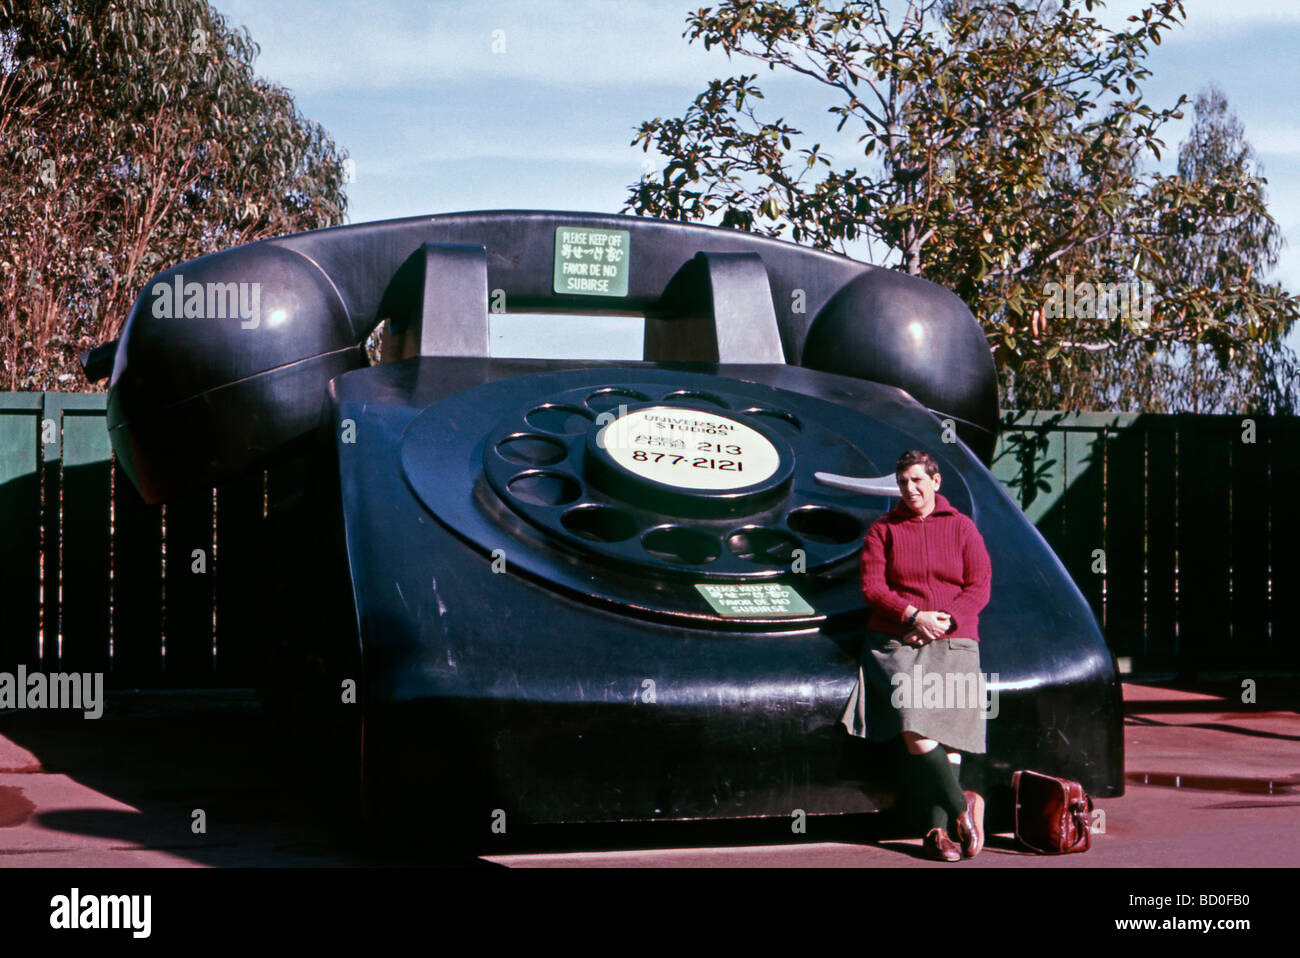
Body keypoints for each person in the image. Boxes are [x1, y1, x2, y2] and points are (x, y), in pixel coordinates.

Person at [840, 449, 993, 861]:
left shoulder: (962, 528)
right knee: (913, 724)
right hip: (897, 640)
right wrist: (913, 615)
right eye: (903, 482)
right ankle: (964, 808)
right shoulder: (882, 530)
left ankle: (937, 833)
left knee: (950, 735)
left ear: (935, 481)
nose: (910, 489)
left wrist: (945, 620)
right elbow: (873, 589)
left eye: (917, 480)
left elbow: (979, 585)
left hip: (952, 636)